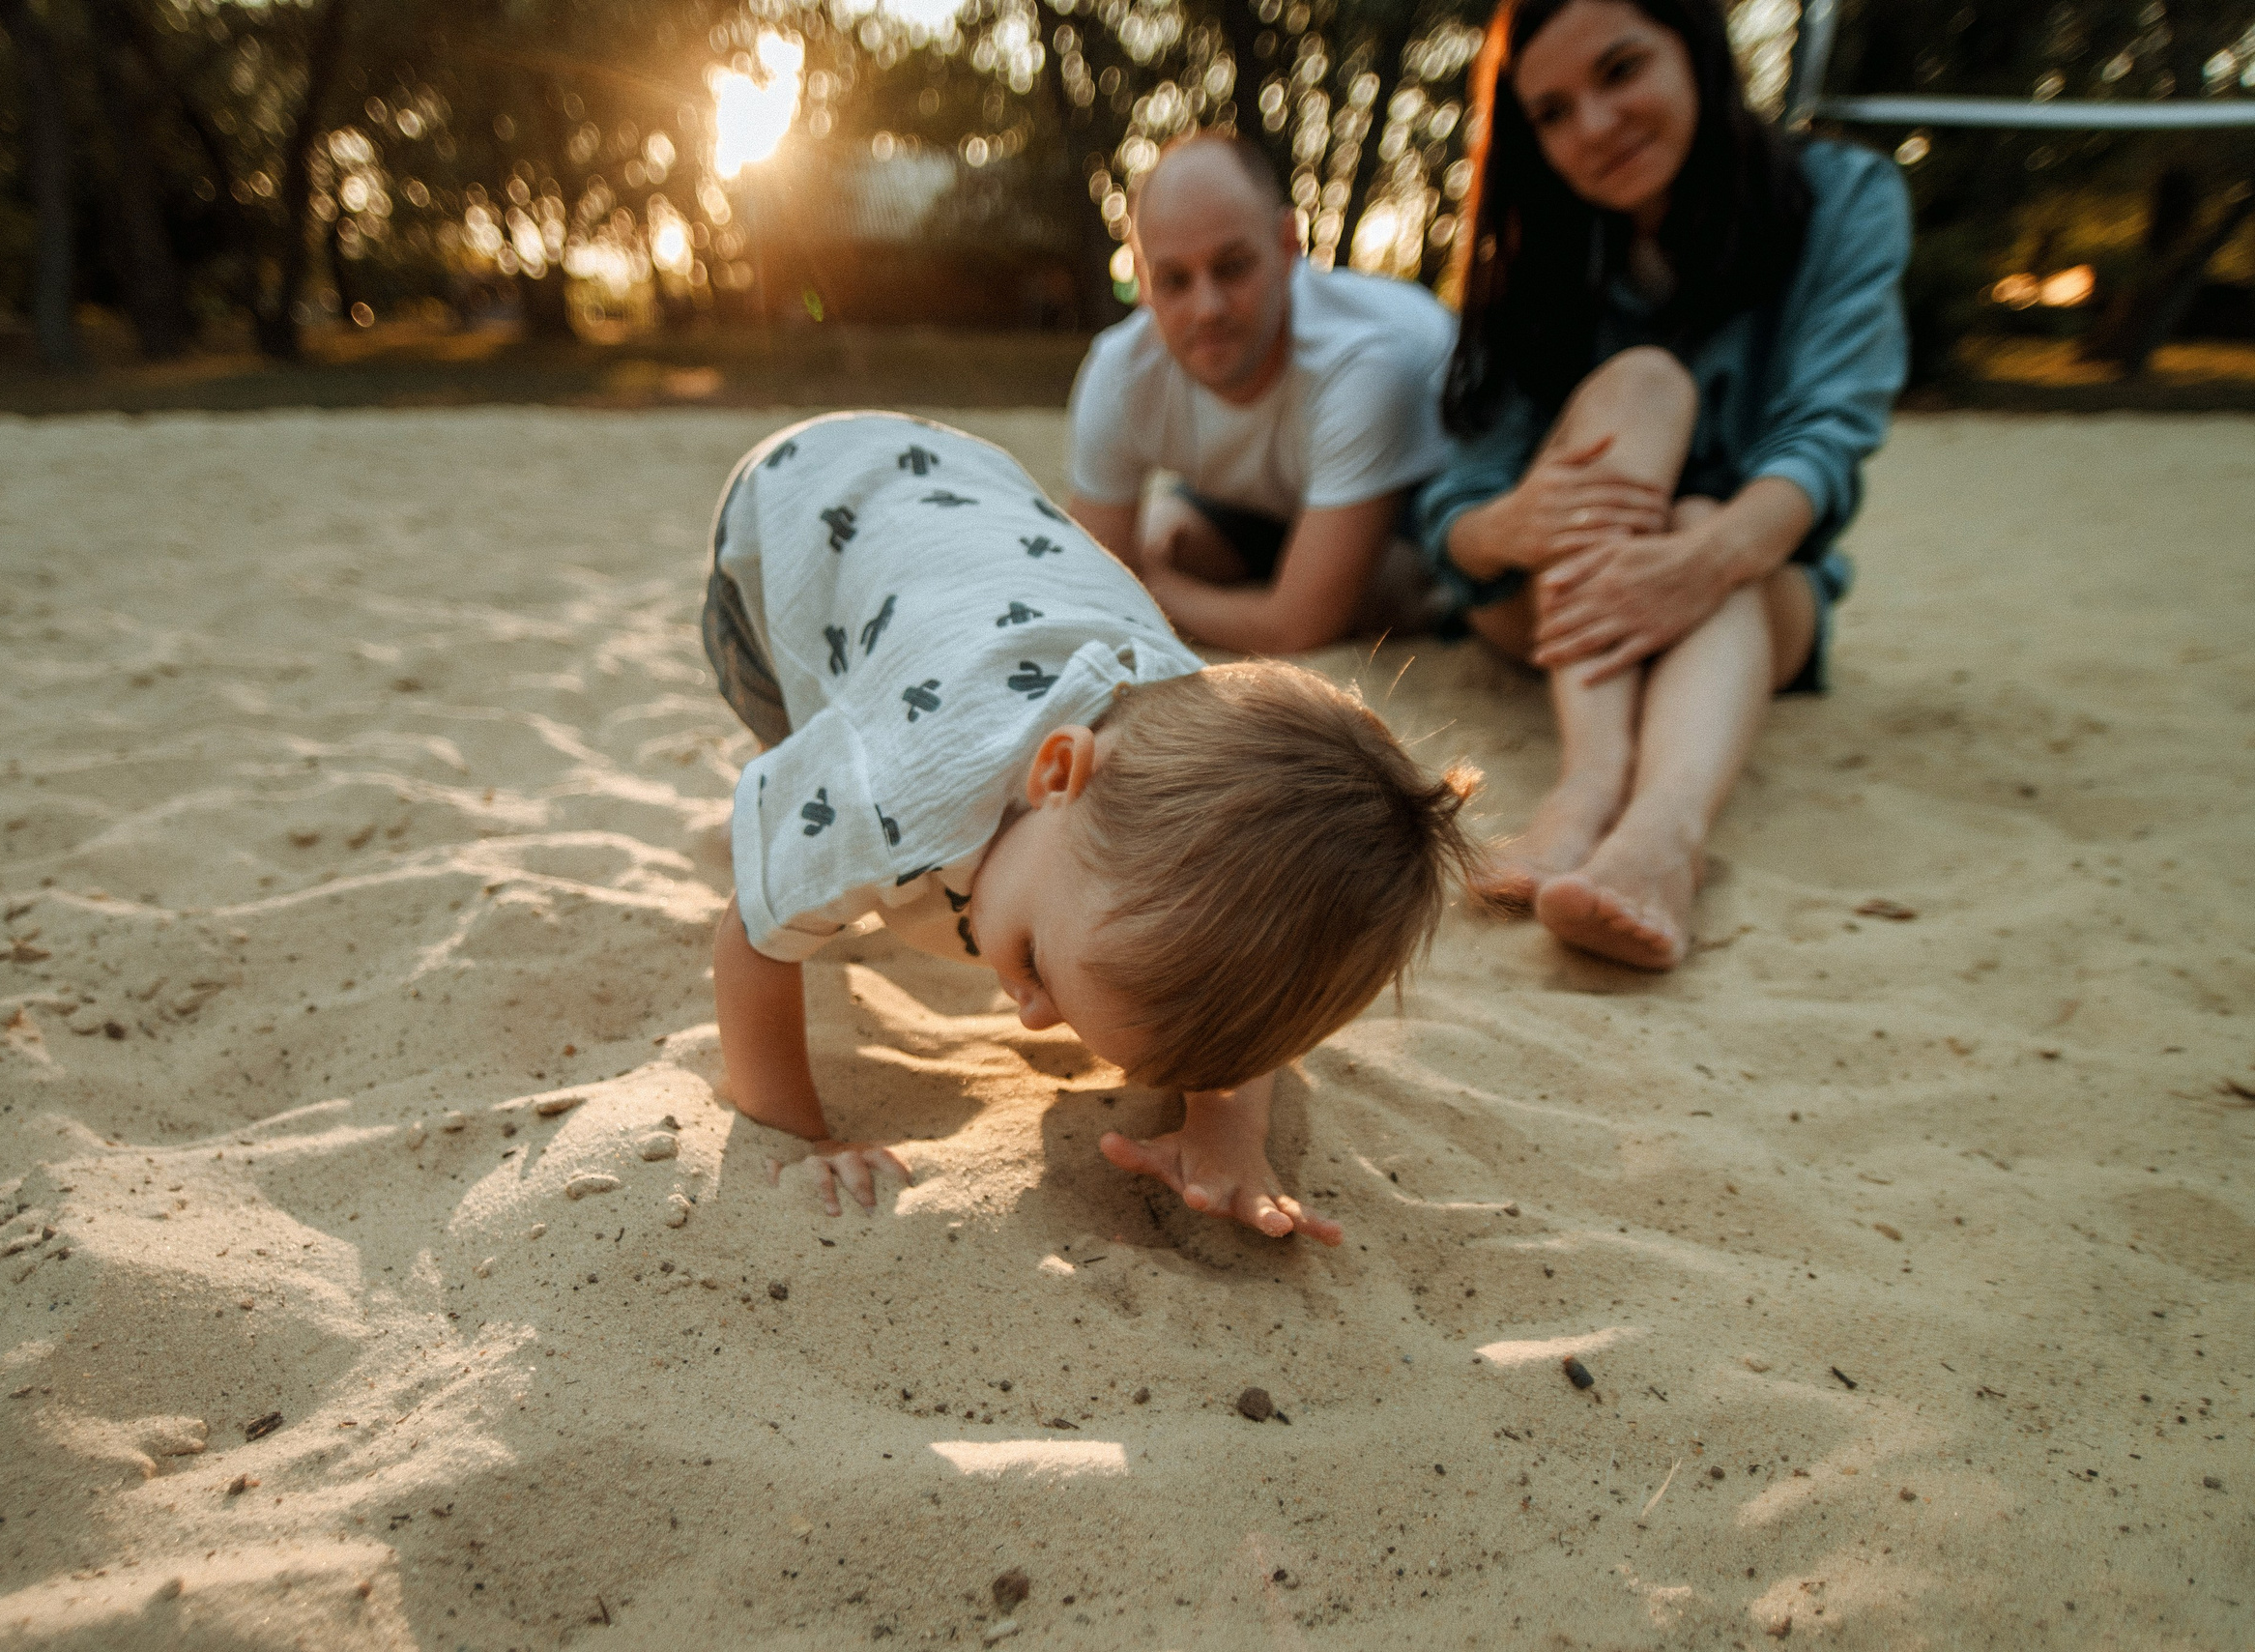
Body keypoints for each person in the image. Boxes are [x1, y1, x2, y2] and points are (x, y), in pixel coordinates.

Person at [704, 411, 1477, 1241]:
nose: (1031, 1015)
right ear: (1055, 773)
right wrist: (802, 1135)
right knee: (797, 793)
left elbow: (1245, 961)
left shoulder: (1173, 732)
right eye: (1038, 961)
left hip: (976, 522)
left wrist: (1226, 1124)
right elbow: (751, 939)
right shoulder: (892, 791)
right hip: (788, 513)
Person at [1413, 0, 1910, 969]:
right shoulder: (1538, 253)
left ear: (1696, 52)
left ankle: (1661, 837)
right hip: (1545, 603)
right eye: (1550, 112)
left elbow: (1828, 433)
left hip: (1759, 591)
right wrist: (1506, 523)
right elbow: (1455, 509)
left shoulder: (1842, 197)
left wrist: (1703, 553)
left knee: (1702, 512)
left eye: (1619, 71)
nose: (1592, 127)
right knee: (1644, 385)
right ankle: (1589, 789)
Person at [1064, 133, 1460, 652]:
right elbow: (1096, 579)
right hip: (1271, 500)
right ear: (1142, 281)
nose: (1207, 308)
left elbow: (1298, 627)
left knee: (1382, 595)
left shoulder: (1366, 363)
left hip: (1419, 498)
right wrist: (1145, 574)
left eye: (1231, 268)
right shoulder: (1119, 371)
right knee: (1167, 542)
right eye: (1174, 280)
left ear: (1286, 245)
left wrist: (1150, 589)